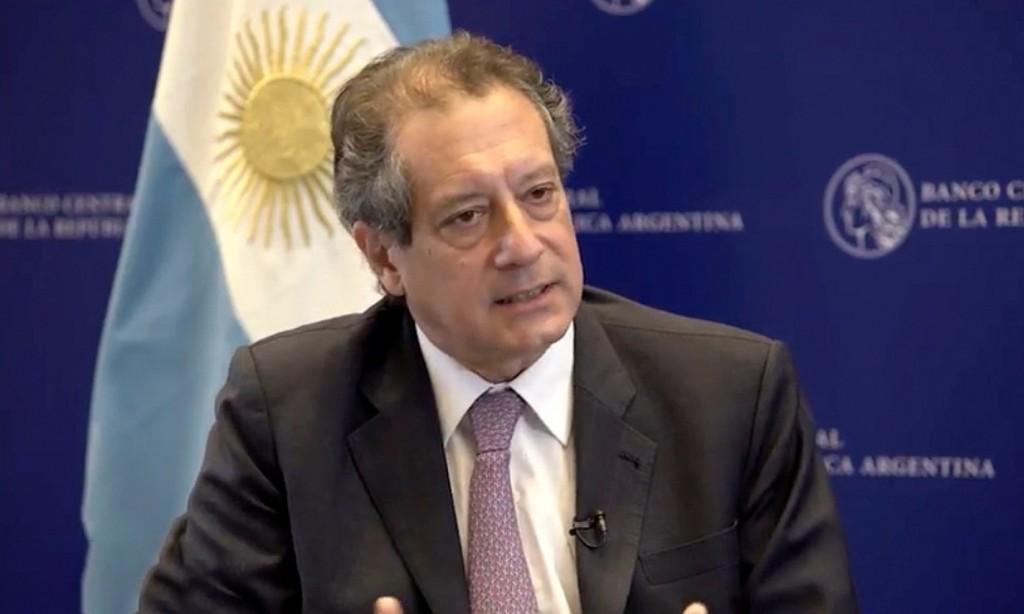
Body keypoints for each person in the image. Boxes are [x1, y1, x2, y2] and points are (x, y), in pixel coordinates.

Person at [139, 32, 858, 613]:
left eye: (539, 194)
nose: (522, 245)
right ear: (384, 256)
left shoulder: (731, 397)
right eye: (467, 216)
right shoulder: (287, 415)